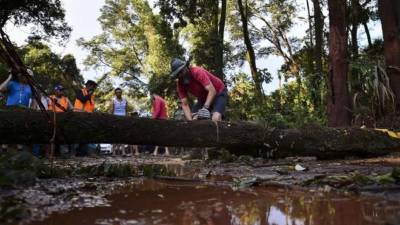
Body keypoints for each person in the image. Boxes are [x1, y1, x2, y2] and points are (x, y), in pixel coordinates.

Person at [0, 69, 34, 152]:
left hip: (23, 112)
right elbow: (1, 88)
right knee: (7, 131)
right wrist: (10, 76)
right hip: (10, 111)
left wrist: (32, 111)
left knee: (20, 132)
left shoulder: (30, 88)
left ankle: (19, 151)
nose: (24, 77)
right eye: (23, 75)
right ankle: (4, 150)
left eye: (27, 76)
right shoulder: (12, 84)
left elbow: (34, 100)